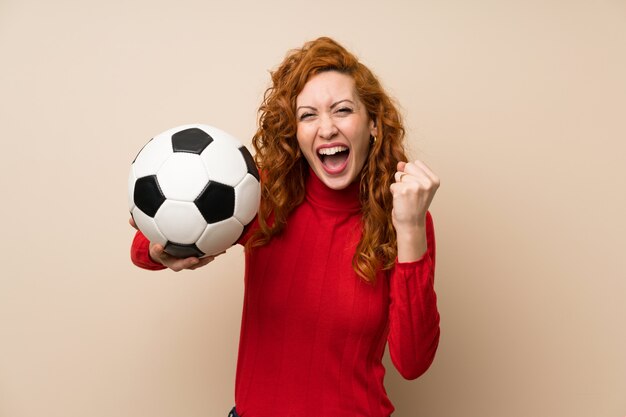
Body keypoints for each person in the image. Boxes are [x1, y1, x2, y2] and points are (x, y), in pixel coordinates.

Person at [130, 36, 440, 417]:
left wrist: (410, 228)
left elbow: (413, 363)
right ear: (295, 131)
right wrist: (167, 251)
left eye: (342, 110)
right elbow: (143, 250)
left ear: (373, 123)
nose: (326, 129)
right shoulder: (263, 196)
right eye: (308, 115)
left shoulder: (405, 217)